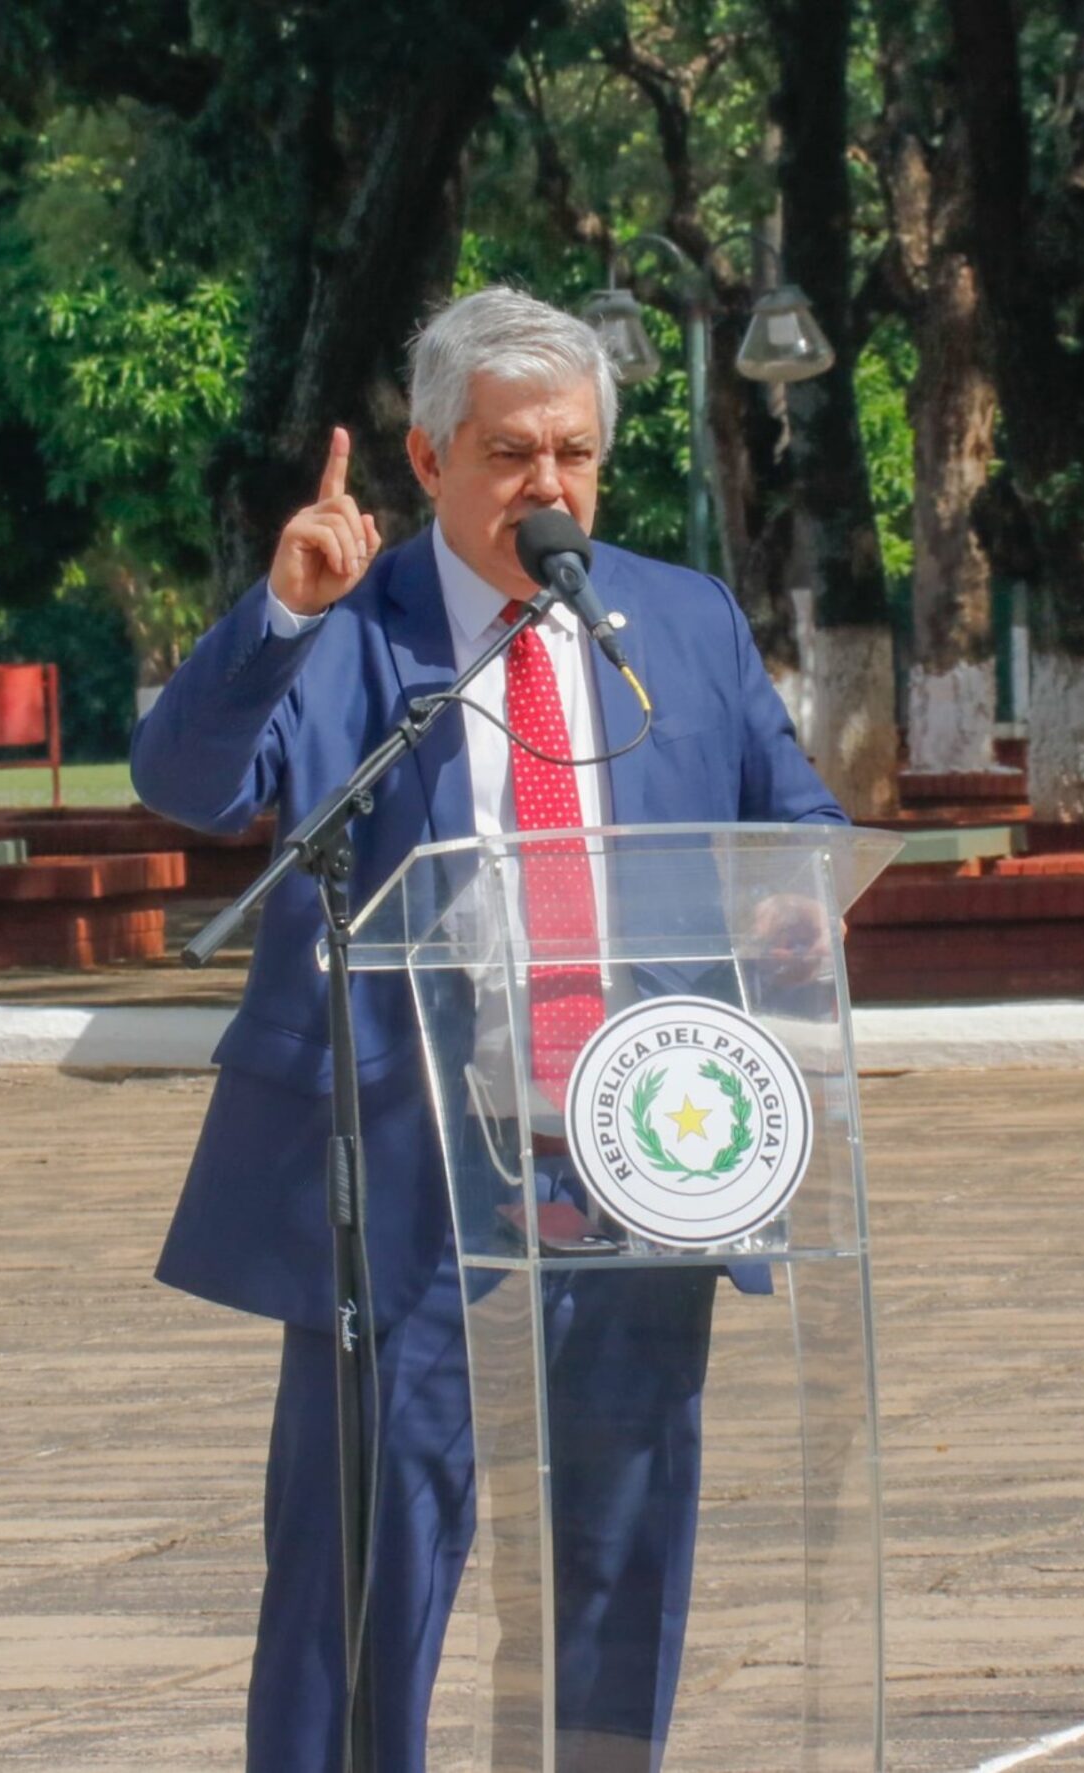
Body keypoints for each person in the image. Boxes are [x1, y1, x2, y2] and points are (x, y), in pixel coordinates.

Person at [131, 287, 844, 1771]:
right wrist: (278, 616)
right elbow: (191, 784)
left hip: (640, 1165)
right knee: (364, 1579)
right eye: (512, 455)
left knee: (614, 1566)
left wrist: (799, 909)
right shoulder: (348, 634)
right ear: (427, 457)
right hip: (404, 1181)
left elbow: (802, 826)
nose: (550, 489)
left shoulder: (686, 620)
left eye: (575, 454)